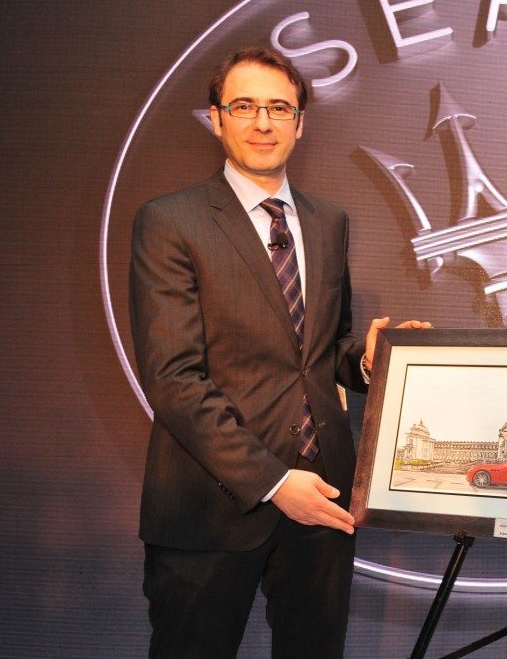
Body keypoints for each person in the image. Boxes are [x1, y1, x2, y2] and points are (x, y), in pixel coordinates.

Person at [129, 46, 429, 657]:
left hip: (323, 501)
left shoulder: (328, 221)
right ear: (216, 118)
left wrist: (370, 360)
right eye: (244, 106)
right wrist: (272, 481)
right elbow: (174, 379)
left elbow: (322, 353)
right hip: (209, 508)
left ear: (300, 122)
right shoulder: (170, 221)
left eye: (278, 108)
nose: (262, 123)